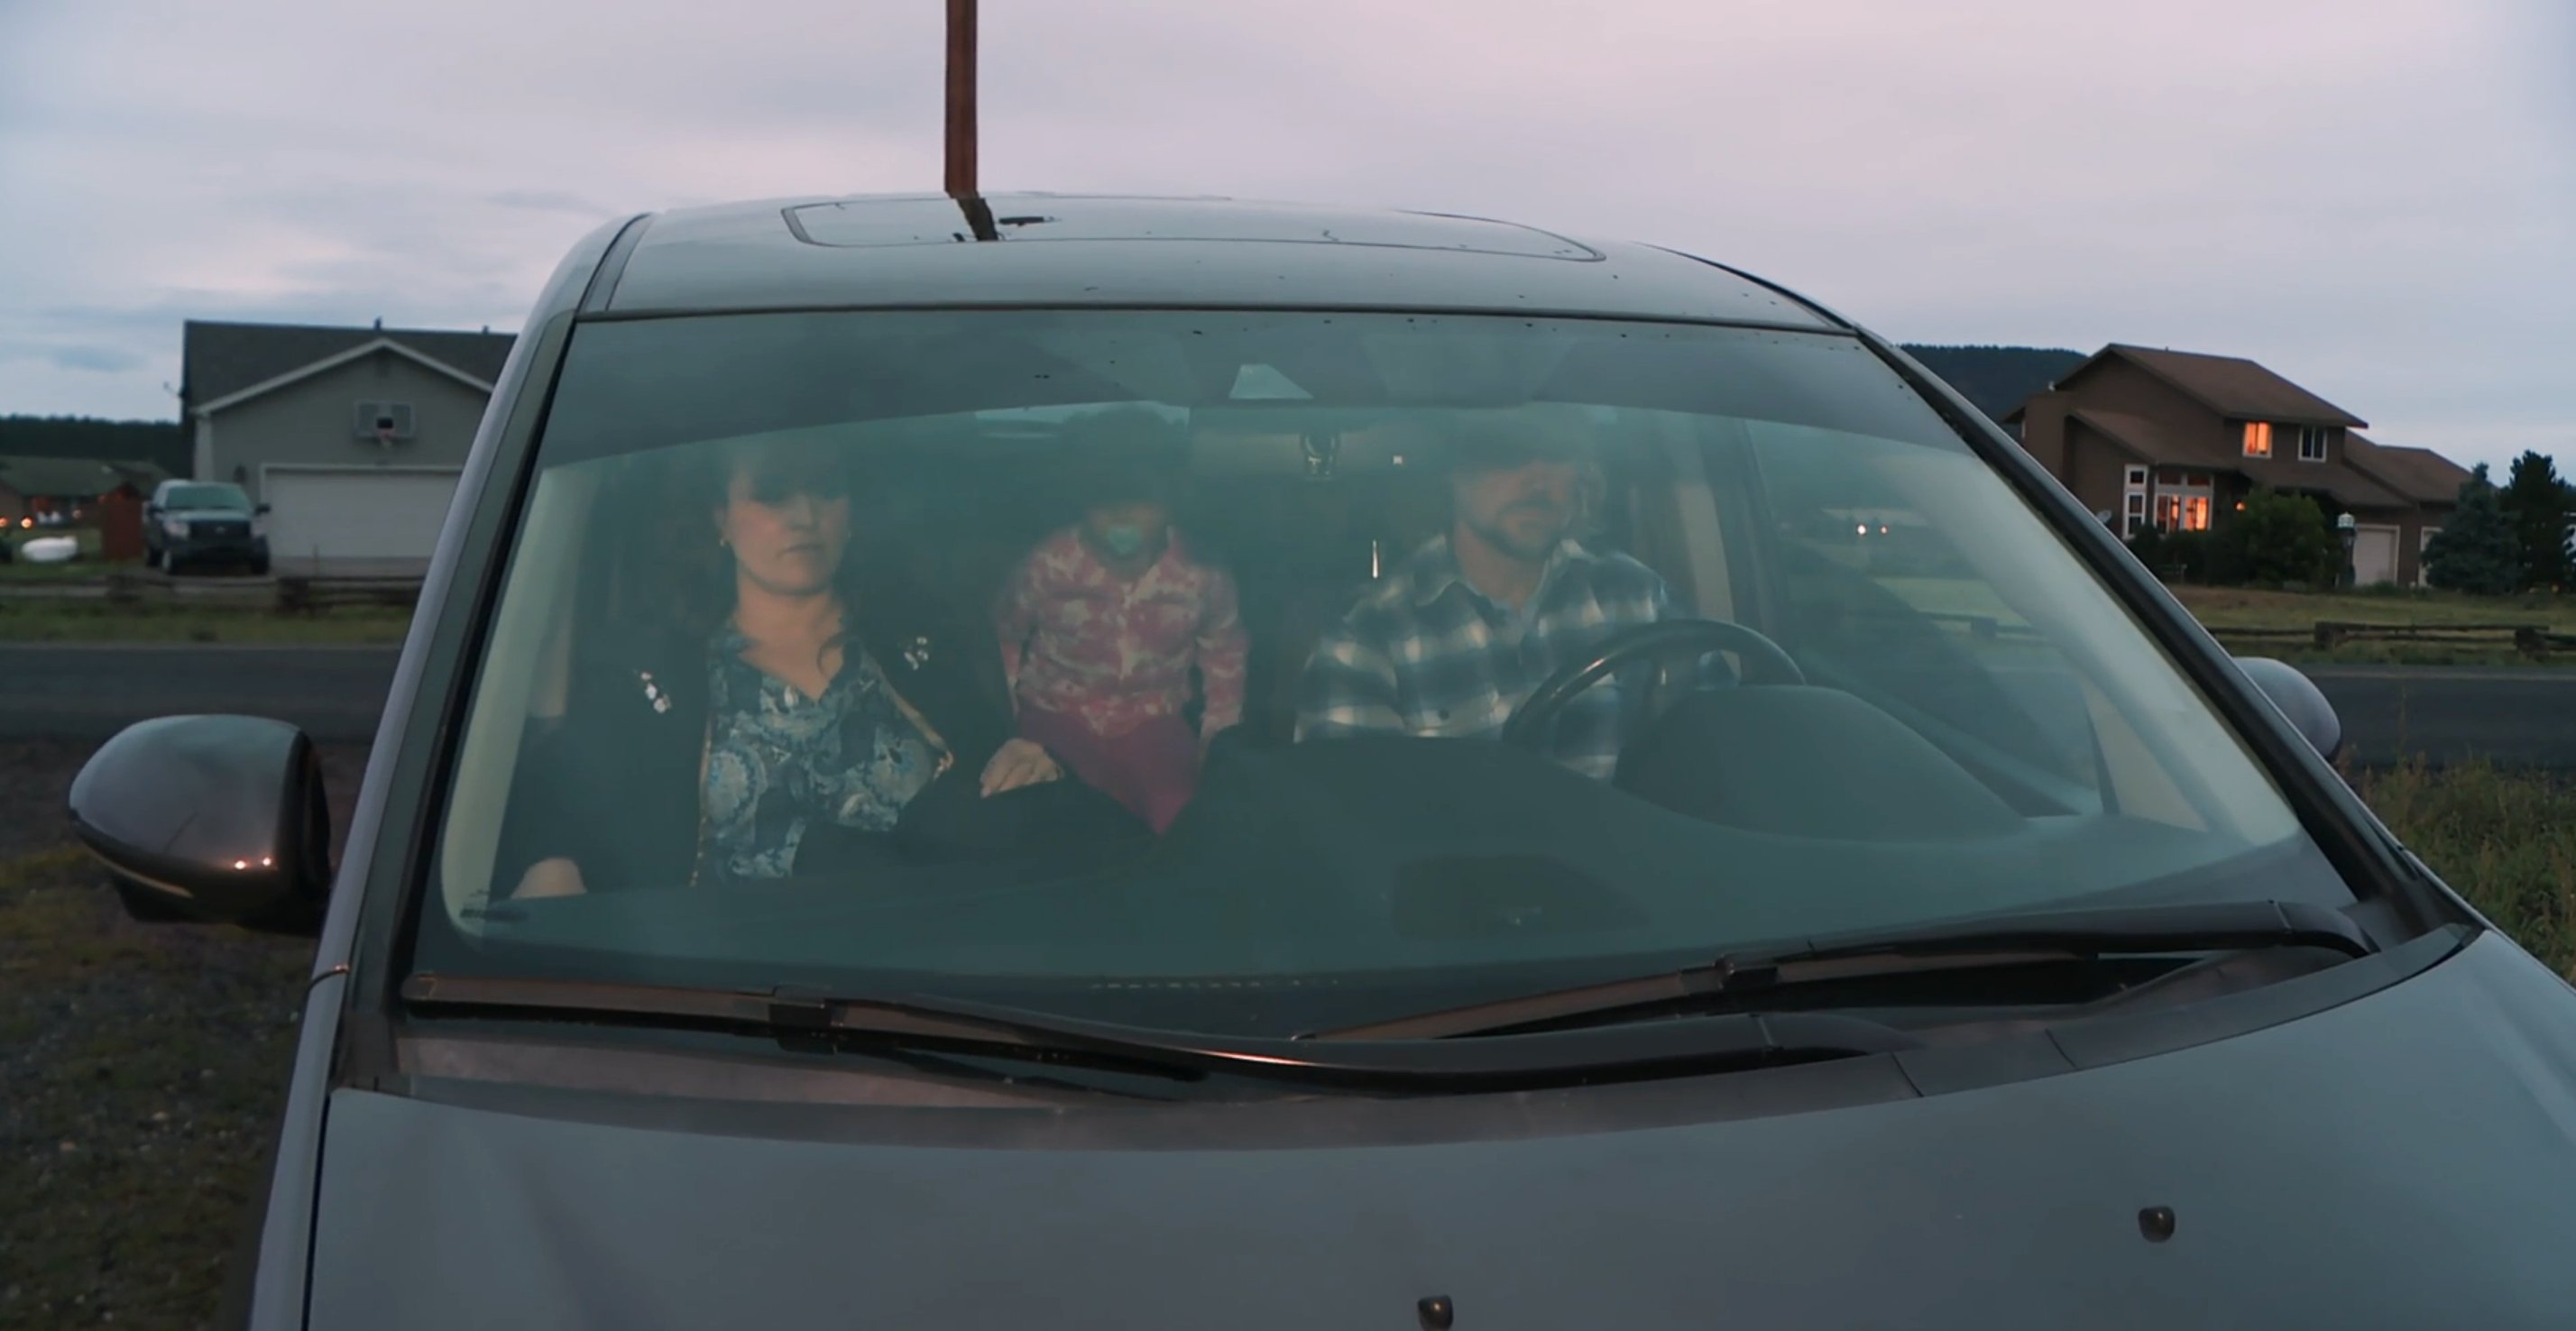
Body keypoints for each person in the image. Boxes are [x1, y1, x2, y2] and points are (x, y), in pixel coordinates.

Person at [505, 435, 1139, 900]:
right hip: (722, 1006)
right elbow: (554, 806)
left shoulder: (922, 650)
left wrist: (1030, 762)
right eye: (774, 494)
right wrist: (554, 864)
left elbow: (1002, 794)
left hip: (944, 984)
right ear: (719, 518)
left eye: (826, 491)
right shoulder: (651, 677)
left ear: (853, 513)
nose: (804, 517)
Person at [1293, 408, 1684, 778]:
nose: (1538, 478)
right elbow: (1350, 825)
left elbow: (1716, 748)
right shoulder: (1368, 636)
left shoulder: (1637, 597)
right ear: (1451, 470)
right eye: (1506, 451)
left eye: (1557, 452)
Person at [995, 421, 1248, 832]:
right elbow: (1007, 637)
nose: (1123, 514)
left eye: (1141, 499)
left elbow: (1226, 653)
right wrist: (1007, 726)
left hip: (1152, 719)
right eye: (1106, 500)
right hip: (1057, 715)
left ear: (1170, 501)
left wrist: (1216, 746)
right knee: (1073, 816)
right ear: (1082, 500)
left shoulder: (1202, 573)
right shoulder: (1049, 563)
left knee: (1181, 817)